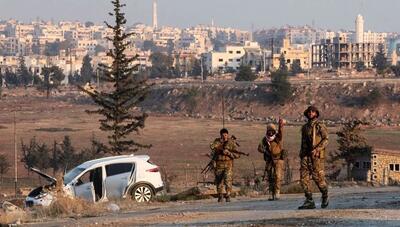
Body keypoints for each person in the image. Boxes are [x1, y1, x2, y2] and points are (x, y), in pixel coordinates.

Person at [298, 106, 329, 209]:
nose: (310, 113)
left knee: (318, 179)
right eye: (309, 112)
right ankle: (309, 200)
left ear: (316, 113)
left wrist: (317, 149)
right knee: (303, 179)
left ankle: (325, 195)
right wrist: (302, 154)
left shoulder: (320, 126)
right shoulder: (305, 127)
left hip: (316, 156)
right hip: (305, 156)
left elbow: (326, 140)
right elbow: (303, 142)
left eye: (313, 111)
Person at [258, 118, 285, 200]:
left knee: (277, 176)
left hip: (278, 159)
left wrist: (281, 125)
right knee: (270, 177)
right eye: (268, 130)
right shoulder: (265, 139)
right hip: (269, 160)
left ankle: (277, 192)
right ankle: (271, 193)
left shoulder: (278, 137)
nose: (270, 132)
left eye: (272, 130)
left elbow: (281, 132)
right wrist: (264, 151)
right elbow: (259, 148)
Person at [210, 128, 239, 202]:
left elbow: (237, 155)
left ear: (227, 134)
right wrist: (220, 143)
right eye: (223, 135)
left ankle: (228, 195)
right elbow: (212, 147)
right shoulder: (217, 141)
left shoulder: (231, 142)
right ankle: (220, 195)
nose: (224, 136)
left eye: (226, 135)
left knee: (228, 180)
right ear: (220, 135)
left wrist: (229, 153)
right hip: (219, 164)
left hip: (228, 164)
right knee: (219, 181)